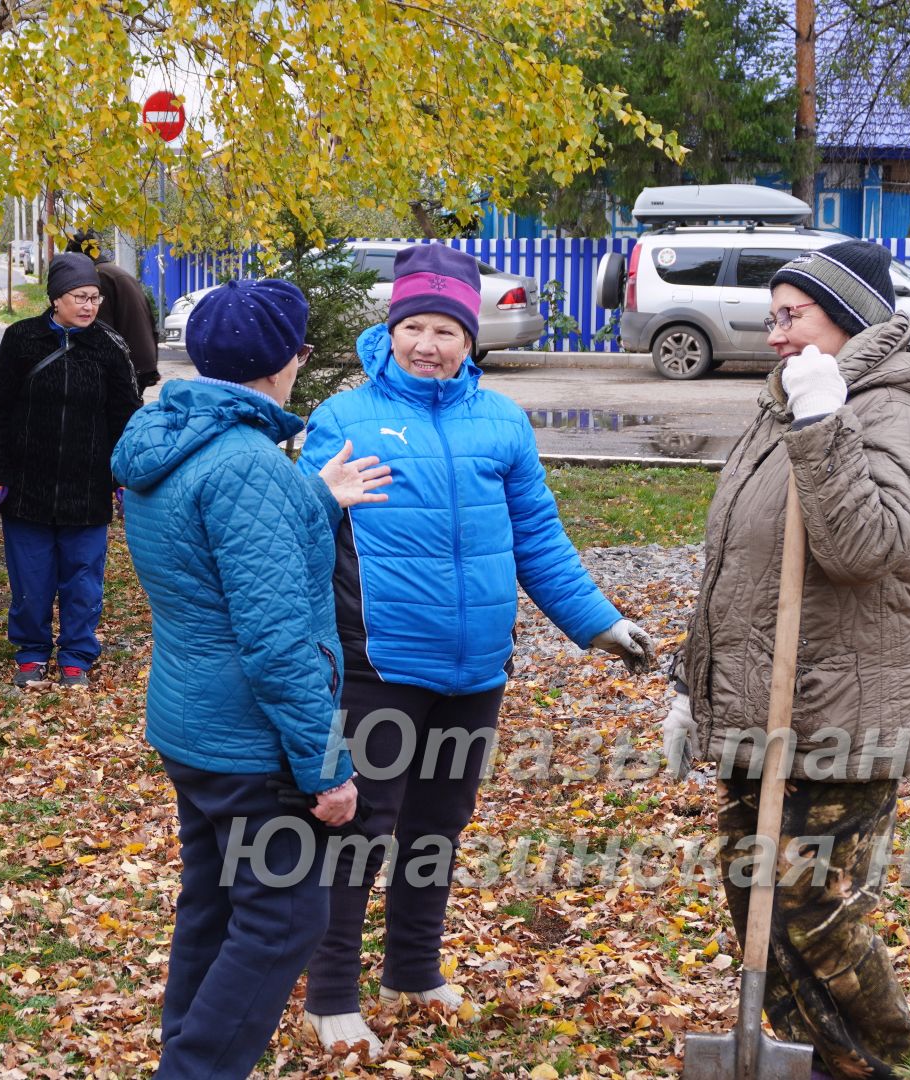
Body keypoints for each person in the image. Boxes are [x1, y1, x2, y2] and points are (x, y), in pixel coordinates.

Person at [297, 243, 656, 1056]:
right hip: (379, 663)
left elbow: (539, 538)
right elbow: (301, 531)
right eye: (413, 327)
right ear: (390, 332)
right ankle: (329, 995)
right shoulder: (345, 419)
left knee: (438, 827)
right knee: (362, 828)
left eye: (445, 329)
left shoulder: (502, 422)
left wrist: (599, 622)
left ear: (471, 336)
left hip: (476, 667)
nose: (427, 343)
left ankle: (414, 969)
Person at [664, 239, 910, 1078]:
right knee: (754, 894)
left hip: (837, 716)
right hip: (761, 712)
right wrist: (695, 687)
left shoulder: (889, 411)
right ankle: (813, 1062)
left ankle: (899, 1066)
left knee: (811, 909)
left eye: (791, 316)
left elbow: (862, 546)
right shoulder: (785, 404)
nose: (775, 336)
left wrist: (825, 420)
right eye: (772, 318)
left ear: (850, 319)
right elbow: (739, 568)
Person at [112, 279, 391, 1078]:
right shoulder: (247, 465)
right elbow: (275, 640)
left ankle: (183, 1054)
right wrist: (326, 768)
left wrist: (312, 497)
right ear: (287, 362)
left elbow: (215, 549)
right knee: (283, 919)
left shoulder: (171, 435)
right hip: (248, 742)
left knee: (213, 903)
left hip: (189, 725)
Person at [0, 252, 138, 689]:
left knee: (83, 579)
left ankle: (76, 654)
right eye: (79, 297)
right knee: (30, 579)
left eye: (95, 298)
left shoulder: (109, 346)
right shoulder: (21, 339)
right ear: (54, 299)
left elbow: (127, 417)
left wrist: (123, 478)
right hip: (28, 488)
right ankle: (31, 651)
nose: (89, 306)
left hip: (86, 490)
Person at [70, 229, 161, 394]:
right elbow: (151, 319)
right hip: (141, 360)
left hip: (126, 365)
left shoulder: (98, 278)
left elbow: (100, 329)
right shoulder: (118, 273)